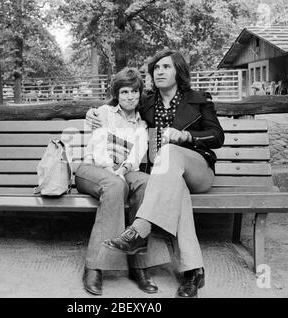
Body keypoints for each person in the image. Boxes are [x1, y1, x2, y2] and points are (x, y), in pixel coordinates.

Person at [87, 49, 225, 298]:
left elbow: (217, 136)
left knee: (170, 151)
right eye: (156, 68)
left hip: (197, 169)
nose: (159, 72)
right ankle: (193, 271)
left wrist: (187, 136)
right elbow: (118, 102)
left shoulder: (198, 99)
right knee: (175, 184)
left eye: (166, 67)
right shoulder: (148, 101)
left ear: (178, 71)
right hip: (167, 178)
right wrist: (93, 113)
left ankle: (139, 229)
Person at [76, 67, 170, 296]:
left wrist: (124, 168)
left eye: (134, 91)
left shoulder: (141, 123)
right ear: (117, 94)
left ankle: (139, 266)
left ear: (140, 94)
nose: (130, 96)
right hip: (93, 169)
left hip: (124, 171)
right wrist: (112, 170)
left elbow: (138, 152)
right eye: (125, 91)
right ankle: (94, 266)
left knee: (147, 183)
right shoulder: (103, 113)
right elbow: (99, 146)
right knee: (115, 185)